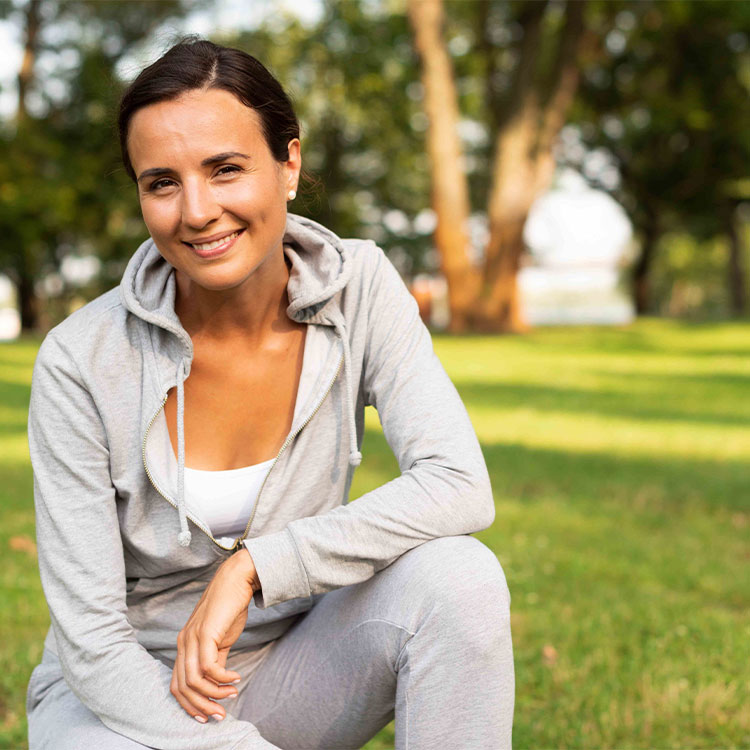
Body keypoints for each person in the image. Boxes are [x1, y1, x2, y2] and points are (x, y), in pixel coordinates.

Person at [25, 37, 514, 750]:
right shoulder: (80, 359)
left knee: (459, 576)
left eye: (225, 169)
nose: (196, 211)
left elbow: (460, 486)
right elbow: (93, 641)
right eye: (162, 182)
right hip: (122, 704)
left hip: (294, 670)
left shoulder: (362, 289)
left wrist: (256, 567)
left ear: (289, 164)